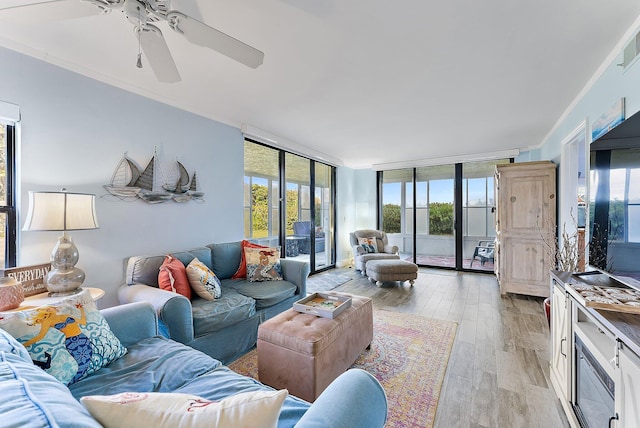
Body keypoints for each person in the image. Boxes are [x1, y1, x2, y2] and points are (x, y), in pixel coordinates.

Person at [23, 303, 92, 383]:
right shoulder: (47, 322)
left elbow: (83, 322)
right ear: (48, 310)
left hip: (83, 338)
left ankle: (78, 378)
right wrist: (23, 345)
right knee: (80, 363)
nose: (56, 308)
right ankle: (72, 381)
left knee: (87, 359)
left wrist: (81, 309)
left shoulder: (65, 315)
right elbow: (40, 336)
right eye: (53, 307)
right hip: (72, 342)